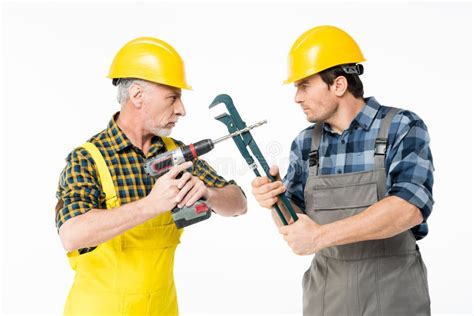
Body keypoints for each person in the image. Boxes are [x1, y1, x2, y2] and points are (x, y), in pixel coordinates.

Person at [55, 37, 247, 316]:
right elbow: (71, 234)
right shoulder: (88, 159)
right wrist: (152, 204)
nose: (182, 109)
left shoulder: (177, 154)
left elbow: (239, 204)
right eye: (173, 97)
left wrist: (208, 192)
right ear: (137, 96)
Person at [251, 25, 433, 315]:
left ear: (338, 85)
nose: (296, 97)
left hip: (395, 297)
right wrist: (275, 201)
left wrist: (320, 236)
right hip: (326, 298)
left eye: (304, 85)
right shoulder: (305, 143)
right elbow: (297, 227)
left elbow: (408, 207)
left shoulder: (402, 126)